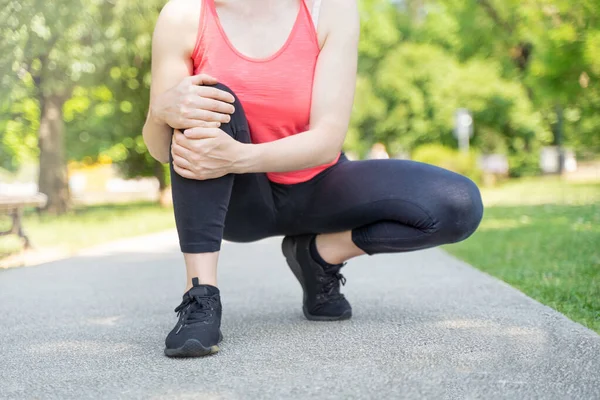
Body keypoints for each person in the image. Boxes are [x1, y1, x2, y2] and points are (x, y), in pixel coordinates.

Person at [143, 0, 483, 358]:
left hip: (319, 186)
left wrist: (239, 157)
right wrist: (161, 111)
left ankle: (318, 256)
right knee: (207, 100)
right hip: (238, 202)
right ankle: (200, 296)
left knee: (458, 204)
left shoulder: (330, 9)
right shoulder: (183, 15)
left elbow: (326, 141)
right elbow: (159, 147)